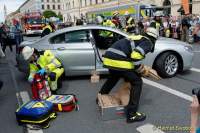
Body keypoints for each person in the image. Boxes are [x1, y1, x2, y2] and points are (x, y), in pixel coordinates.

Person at [97, 27, 158, 123]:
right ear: (154, 39)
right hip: (119, 60)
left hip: (109, 58)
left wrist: (136, 67)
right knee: (137, 82)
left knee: (113, 77)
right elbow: (136, 55)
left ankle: (100, 97)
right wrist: (140, 70)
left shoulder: (137, 37)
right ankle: (132, 114)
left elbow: (131, 54)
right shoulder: (148, 42)